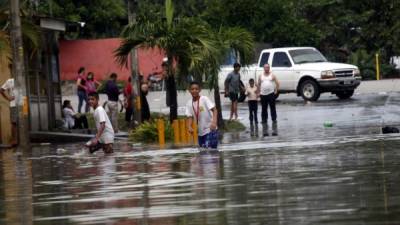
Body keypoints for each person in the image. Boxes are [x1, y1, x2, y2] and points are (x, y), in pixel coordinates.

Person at [186, 81, 218, 149]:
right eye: (192, 89)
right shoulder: (189, 103)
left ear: (200, 90)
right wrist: (189, 126)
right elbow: (189, 116)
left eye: (196, 89)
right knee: (203, 153)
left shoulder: (204, 99)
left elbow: (214, 110)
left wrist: (214, 122)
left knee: (209, 151)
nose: (194, 91)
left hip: (210, 130)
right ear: (189, 90)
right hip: (200, 133)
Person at [0, 78, 17, 145]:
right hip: (14, 104)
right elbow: (1, 90)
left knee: (23, 122)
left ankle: (20, 140)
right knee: (14, 122)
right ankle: (14, 140)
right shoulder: (10, 81)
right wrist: (8, 98)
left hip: (23, 103)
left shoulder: (23, 80)